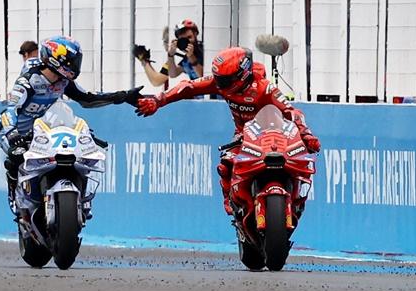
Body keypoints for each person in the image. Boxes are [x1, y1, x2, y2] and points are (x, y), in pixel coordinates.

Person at [135, 47, 321, 215]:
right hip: (244, 138)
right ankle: (232, 202)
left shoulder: (265, 88)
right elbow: (188, 87)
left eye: (226, 79)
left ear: (242, 74)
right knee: (226, 164)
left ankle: (295, 200)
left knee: (298, 163)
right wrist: (158, 100)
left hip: (273, 138)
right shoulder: (218, 82)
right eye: (219, 79)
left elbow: (292, 111)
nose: (221, 84)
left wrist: (306, 135)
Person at [0, 36, 142, 207]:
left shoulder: (63, 81)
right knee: (18, 156)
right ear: (56, 59)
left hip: (38, 129)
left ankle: (79, 202)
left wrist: (122, 96)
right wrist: (12, 133)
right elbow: (10, 110)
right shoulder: (28, 80)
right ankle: (15, 194)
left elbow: (87, 99)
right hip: (14, 131)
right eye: (72, 61)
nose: (75, 65)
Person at [139, 20, 205, 88]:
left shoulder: (204, 52)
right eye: (165, 41)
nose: (167, 44)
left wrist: (144, 60)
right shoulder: (185, 58)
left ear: (195, 34)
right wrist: (170, 55)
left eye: (189, 37)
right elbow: (173, 74)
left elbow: (204, 76)